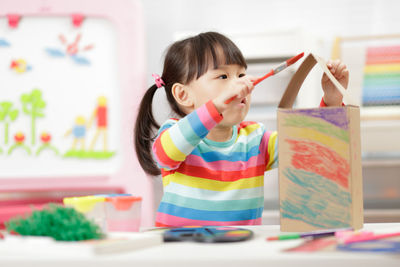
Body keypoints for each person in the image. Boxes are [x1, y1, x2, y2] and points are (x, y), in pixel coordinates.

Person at [134, 32, 349, 227]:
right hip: (182, 252)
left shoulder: (256, 138)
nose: (240, 84)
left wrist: (332, 100)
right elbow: (164, 154)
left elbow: (310, 148)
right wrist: (217, 105)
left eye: (241, 75)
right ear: (183, 95)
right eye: (223, 77)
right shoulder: (175, 133)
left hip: (241, 250)